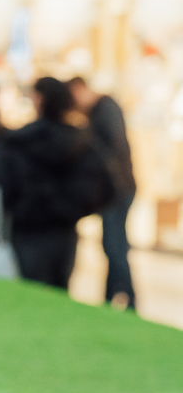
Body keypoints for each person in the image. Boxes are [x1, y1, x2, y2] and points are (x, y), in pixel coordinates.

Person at [0, 76, 114, 291]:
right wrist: (69, 209)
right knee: (59, 290)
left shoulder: (20, 141)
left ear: (39, 100)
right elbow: (103, 184)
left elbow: (0, 180)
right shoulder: (79, 141)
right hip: (62, 231)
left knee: (32, 291)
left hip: (30, 230)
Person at [69, 76, 136, 310]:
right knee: (112, 245)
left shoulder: (105, 109)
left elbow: (111, 151)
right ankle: (111, 297)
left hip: (117, 190)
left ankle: (129, 299)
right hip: (115, 189)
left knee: (114, 245)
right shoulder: (101, 110)